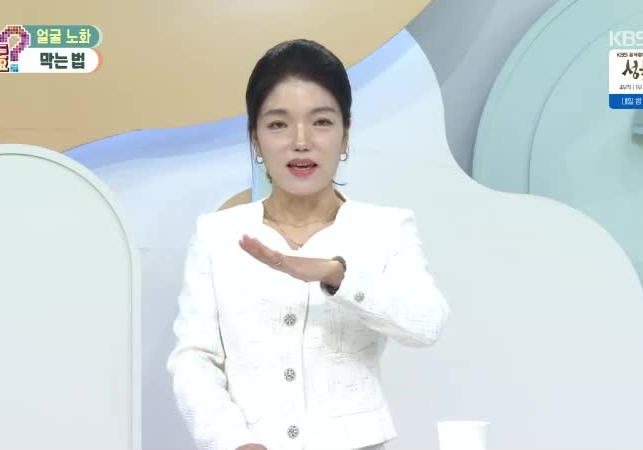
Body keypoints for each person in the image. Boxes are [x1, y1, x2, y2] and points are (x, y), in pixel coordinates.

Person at [166, 38, 449, 450]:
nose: (301, 141)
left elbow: (427, 324)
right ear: (255, 138)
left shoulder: (385, 228)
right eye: (278, 124)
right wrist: (234, 442)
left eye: (321, 122)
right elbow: (193, 359)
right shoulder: (217, 235)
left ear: (346, 134)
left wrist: (339, 276)